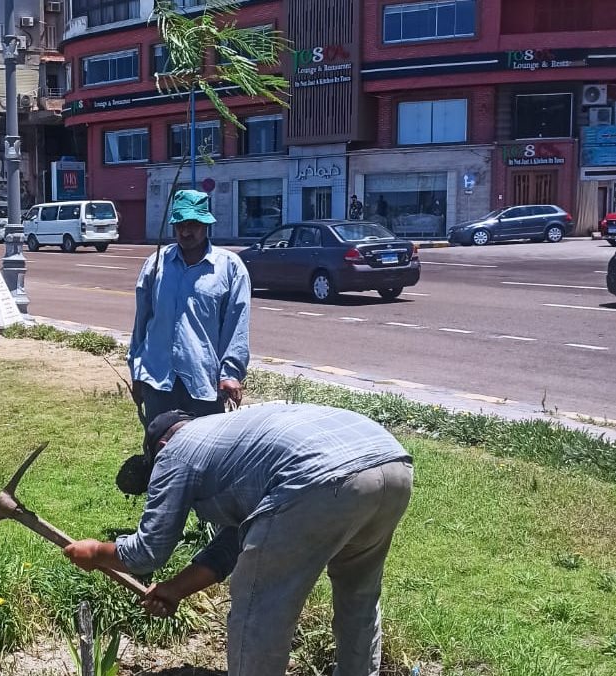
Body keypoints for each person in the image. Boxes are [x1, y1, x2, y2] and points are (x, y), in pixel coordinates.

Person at [64, 404, 414, 676]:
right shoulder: (229, 438)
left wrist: (96, 552)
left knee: (260, 611)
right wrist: (173, 589)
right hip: (391, 464)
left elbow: (148, 552)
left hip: (319, 478)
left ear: (161, 446)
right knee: (359, 596)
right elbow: (236, 543)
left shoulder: (176, 451)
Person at [129, 189, 250, 427]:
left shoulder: (230, 267)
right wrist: (136, 369)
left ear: (206, 225)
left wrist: (231, 373)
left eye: (193, 224)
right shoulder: (156, 263)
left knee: (202, 453)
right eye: (180, 224)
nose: (185, 231)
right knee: (161, 450)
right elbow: (141, 321)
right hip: (157, 378)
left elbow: (237, 326)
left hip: (203, 381)